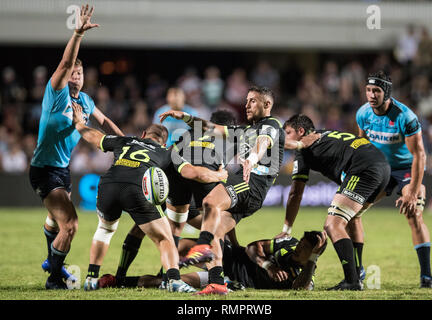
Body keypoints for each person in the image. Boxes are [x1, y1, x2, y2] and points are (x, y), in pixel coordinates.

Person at [71, 104, 228, 293]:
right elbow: (191, 172)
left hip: (108, 184)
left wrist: (79, 124)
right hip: (139, 189)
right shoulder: (167, 152)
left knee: (104, 230)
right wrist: (219, 175)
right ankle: (173, 280)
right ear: (164, 142)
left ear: (143, 134)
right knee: (165, 238)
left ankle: (91, 277)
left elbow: (96, 138)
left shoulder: (127, 140)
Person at [28, 5, 124, 289]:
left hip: (62, 169)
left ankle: (51, 261)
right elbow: (64, 64)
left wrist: (126, 144)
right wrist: (78, 34)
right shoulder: (55, 94)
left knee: (55, 220)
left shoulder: (85, 101)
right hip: (44, 170)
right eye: (72, 74)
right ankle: (54, 278)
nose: (75, 78)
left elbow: (104, 120)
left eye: (79, 74)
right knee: (70, 224)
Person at [159, 86, 285, 295]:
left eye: (252, 100)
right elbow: (211, 127)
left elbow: (263, 142)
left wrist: (251, 161)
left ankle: (202, 245)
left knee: (210, 201)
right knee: (217, 230)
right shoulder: (244, 130)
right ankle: (217, 282)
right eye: (246, 100)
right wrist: (187, 117)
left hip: (252, 183)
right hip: (248, 190)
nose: (246, 105)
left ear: (267, 104)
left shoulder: (272, 124)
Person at [112, 110, 237, 286]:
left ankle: (167, 276)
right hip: (193, 179)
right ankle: (214, 278)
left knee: (172, 228)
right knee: (212, 225)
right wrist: (220, 175)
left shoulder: (187, 135)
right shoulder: (229, 137)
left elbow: (174, 154)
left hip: (172, 180)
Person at [280, 114, 391, 290]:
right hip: (383, 167)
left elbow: (295, 193)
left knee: (333, 224)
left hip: (363, 169)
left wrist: (286, 229)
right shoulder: (325, 134)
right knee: (352, 219)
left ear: (301, 131)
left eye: (287, 132)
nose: (285, 136)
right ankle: (357, 272)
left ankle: (352, 281)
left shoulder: (304, 150)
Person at [356, 70, 432, 288]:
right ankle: (358, 271)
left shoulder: (405, 117)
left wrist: (413, 190)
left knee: (414, 213)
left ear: (387, 92)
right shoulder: (363, 113)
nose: (371, 95)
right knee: (352, 212)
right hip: (379, 168)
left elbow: (419, 155)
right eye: (369, 90)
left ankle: (426, 277)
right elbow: (363, 145)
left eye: (377, 91)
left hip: (405, 170)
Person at [98, 231, 328, 291]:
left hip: (232, 280)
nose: (298, 249)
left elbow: (301, 287)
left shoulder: (307, 273)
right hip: (229, 257)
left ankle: (117, 281)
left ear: (313, 255)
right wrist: (268, 265)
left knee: (165, 283)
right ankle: (177, 264)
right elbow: (252, 247)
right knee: (180, 246)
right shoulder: (286, 245)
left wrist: (312, 260)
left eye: (305, 250)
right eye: (300, 245)